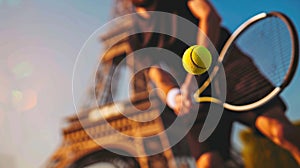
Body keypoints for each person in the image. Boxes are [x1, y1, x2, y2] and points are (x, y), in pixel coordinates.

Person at [126, 0, 300, 167]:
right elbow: (155, 71)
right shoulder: (134, 35)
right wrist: (173, 96)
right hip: (195, 95)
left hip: (228, 68)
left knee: (281, 131)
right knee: (208, 164)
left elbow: (209, 16)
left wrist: (195, 75)